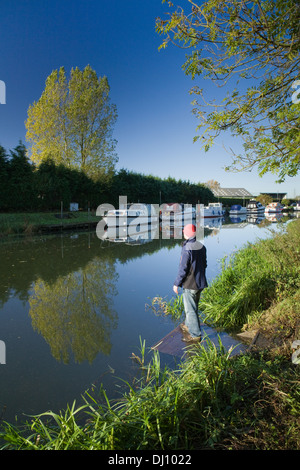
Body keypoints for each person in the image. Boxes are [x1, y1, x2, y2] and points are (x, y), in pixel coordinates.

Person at [173, 224, 208, 342]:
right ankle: (188, 325)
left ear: (186, 233)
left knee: (190, 309)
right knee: (193, 306)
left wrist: (176, 283)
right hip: (200, 282)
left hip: (190, 283)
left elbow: (183, 268)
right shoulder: (201, 246)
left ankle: (195, 335)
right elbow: (205, 264)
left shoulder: (187, 247)